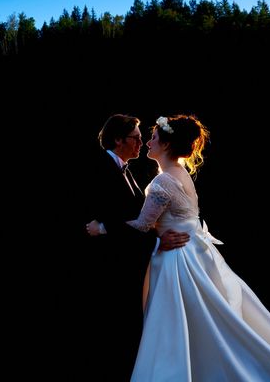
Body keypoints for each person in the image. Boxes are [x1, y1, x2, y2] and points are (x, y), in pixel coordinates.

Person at [89, 114, 270, 380]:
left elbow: (144, 224)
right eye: (141, 137)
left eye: (153, 137)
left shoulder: (162, 181)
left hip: (176, 259)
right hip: (194, 253)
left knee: (175, 322)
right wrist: (159, 233)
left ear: (167, 145)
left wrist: (102, 228)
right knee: (200, 320)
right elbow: (172, 220)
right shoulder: (180, 174)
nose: (147, 142)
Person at [81, 114, 190, 380]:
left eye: (144, 138)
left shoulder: (129, 172)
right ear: (118, 139)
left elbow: (135, 221)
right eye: (136, 138)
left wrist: (108, 227)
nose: (141, 142)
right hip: (110, 269)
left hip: (130, 265)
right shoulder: (97, 169)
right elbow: (105, 219)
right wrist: (155, 240)